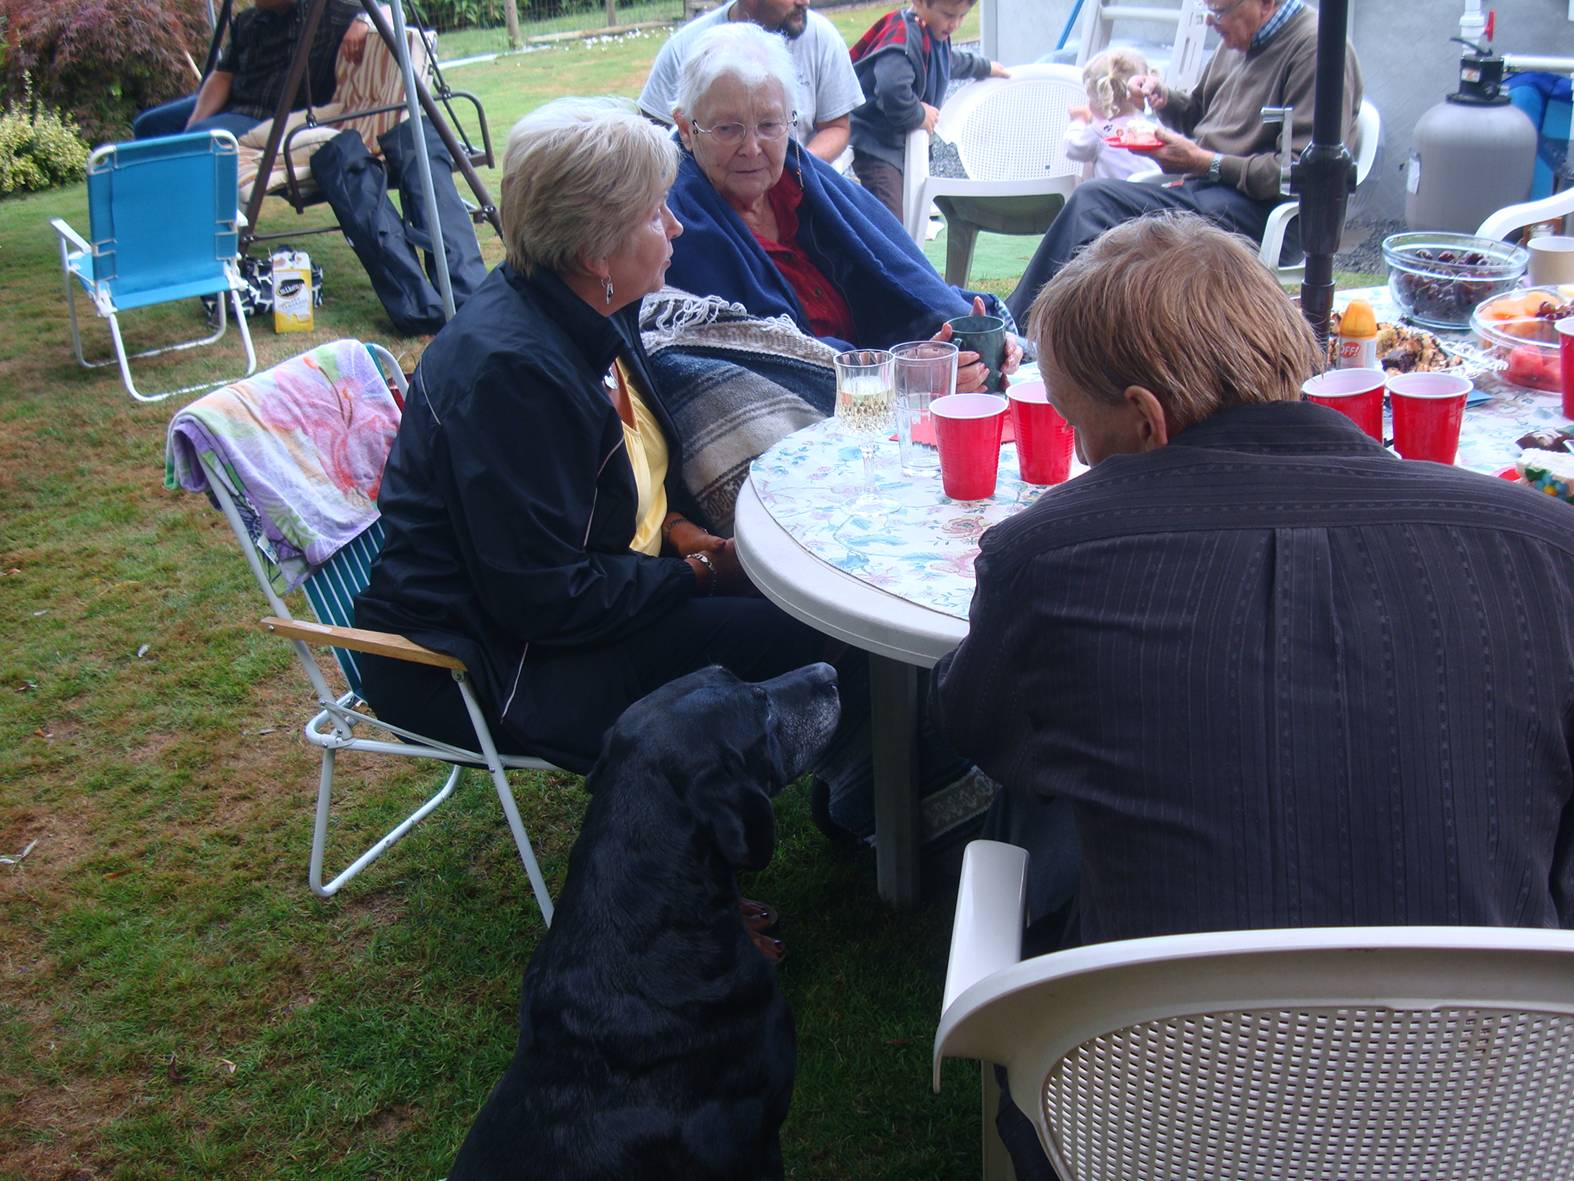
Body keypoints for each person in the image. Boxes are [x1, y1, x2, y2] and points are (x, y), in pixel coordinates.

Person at [935, 211, 1574, 954]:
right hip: (1490, 1058)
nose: (1080, 453)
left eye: (1080, 427)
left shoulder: (1044, 556)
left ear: (1147, 419)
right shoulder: (1545, 548)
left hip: (1153, 1059)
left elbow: (974, 725)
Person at [353, 97, 852, 806]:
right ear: (593, 249)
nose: (676, 224)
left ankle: (857, 781)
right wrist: (704, 575)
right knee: (798, 628)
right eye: (655, 212)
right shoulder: (512, 375)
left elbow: (624, 485)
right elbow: (544, 597)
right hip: (484, 656)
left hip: (568, 602)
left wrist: (680, 533)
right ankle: (686, 857)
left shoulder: (583, 307)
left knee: (806, 607)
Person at [664, 22, 1021, 388]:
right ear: (687, 130)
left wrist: (956, 338)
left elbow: (897, 287)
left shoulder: (807, 182)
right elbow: (769, 361)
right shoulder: (681, 226)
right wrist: (902, 373)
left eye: (769, 124)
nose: (752, 147)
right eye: (727, 128)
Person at [1005, 0, 1362, 323]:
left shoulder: (1317, 52)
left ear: (1266, 3)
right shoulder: (1238, 37)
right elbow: (1199, 115)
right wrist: (1163, 100)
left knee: (1094, 204)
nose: (1210, 21)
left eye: (1219, 12)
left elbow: (1296, 173)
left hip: (1260, 212)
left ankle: (1018, 328)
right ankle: (1037, 329)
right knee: (1097, 209)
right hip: (1205, 190)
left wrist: (1205, 163)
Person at [638, 0, 863, 164]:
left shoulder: (821, 38)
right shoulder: (684, 49)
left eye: (768, 126)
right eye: (726, 128)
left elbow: (836, 127)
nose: (805, 1)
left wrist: (793, 169)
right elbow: (651, 137)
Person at [847, 0, 1007, 219]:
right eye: (950, 15)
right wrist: (918, 114)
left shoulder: (932, 31)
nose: (955, 24)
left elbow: (949, 61)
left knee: (910, 207)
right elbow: (891, 88)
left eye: (963, 16)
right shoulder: (902, 38)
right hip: (877, 145)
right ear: (920, 3)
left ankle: (902, 247)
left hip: (898, 145)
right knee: (889, 217)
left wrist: (985, 67)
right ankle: (886, 251)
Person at [134, 0, 370, 141]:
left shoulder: (328, 13)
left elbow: (390, 10)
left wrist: (363, 21)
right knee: (150, 125)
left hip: (274, 115)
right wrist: (194, 119)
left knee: (203, 138)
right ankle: (152, 199)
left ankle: (194, 211)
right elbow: (223, 74)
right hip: (235, 103)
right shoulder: (248, 20)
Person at [1062, 48, 1157, 182]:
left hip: (1112, 200)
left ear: (1102, 101)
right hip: (1147, 198)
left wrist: (1078, 121)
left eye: (1090, 98)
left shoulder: (1100, 133)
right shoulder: (1149, 129)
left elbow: (1073, 148)